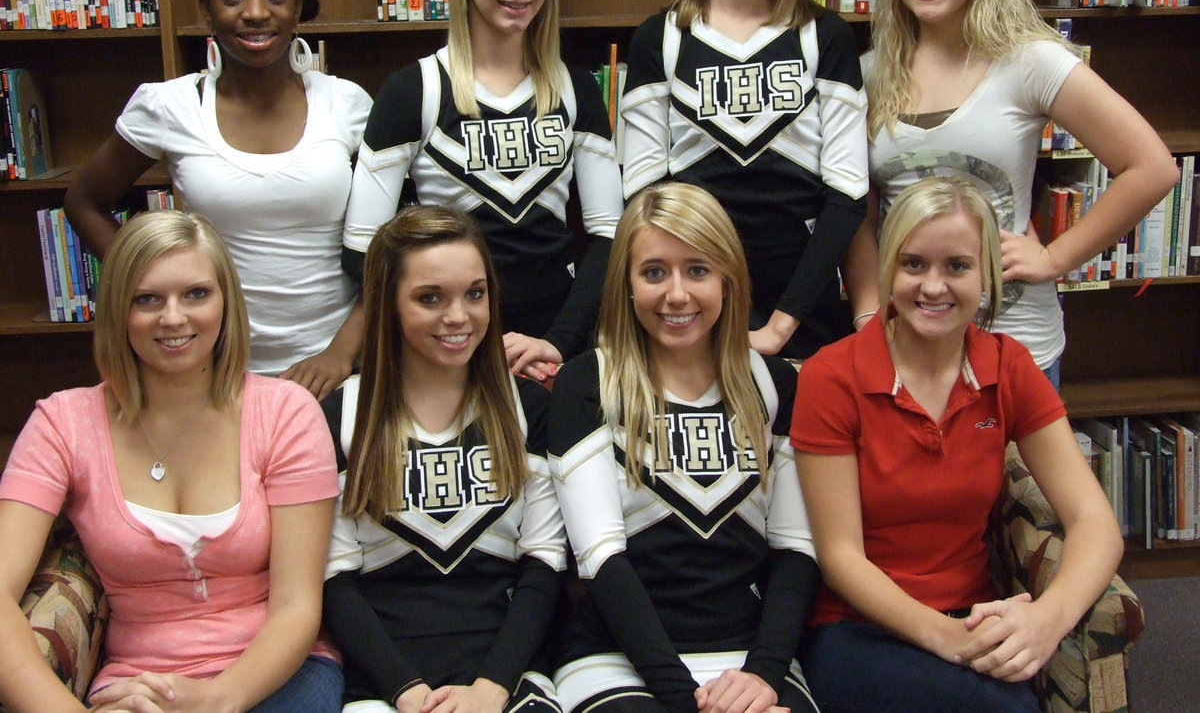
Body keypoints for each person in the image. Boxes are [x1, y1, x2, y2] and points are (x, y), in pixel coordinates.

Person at [792, 176, 1123, 713]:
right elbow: (841, 559)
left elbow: (1096, 523)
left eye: (957, 267)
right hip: (857, 628)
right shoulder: (833, 376)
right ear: (887, 270)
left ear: (987, 273)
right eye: (914, 264)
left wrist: (1046, 620)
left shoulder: (1008, 365)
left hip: (973, 616)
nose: (933, 286)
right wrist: (948, 642)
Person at [0, 210, 341, 712]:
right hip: (137, 683)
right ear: (118, 310)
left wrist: (215, 698)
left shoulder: (287, 414)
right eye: (147, 299)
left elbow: (296, 607)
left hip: (274, 675)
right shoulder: (63, 423)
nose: (174, 317)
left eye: (197, 294)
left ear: (226, 302)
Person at [843, 0, 1178, 383]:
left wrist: (1052, 256)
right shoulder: (870, 73)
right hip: (904, 344)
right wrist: (869, 317)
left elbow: (1152, 167)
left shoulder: (1029, 62)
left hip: (1014, 344)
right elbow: (861, 213)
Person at [549, 181, 821, 713]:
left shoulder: (775, 385)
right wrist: (686, 701)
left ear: (727, 278)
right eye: (654, 272)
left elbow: (796, 549)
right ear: (626, 284)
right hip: (616, 660)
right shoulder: (586, 384)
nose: (677, 294)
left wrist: (764, 674)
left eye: (697, 270)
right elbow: (600, 557)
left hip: (749, 662)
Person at [64, 0, 372, 397]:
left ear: (297, 7)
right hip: (210, 368)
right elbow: (83, 202)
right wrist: (152, 286)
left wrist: (341, 354)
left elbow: (390, 246)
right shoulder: (169, 106)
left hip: (336, 370)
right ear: (206, 7)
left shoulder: (347, 104)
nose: (254, 12)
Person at [342, 0, 623, 382]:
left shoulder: (577, 89)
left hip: (554, 351)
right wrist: (448, 339)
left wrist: (557, 343)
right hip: (446, 355)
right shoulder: (414, 91)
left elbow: (608, 234)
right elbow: (363, 249)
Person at [619, 0, 869, 361]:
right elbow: (645, 202)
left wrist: (781, 327)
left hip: (804, 322)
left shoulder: (825, 37)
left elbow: (846, 198)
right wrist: (695, 315)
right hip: (691, 322)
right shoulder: (657, 40)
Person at [322, 204, 567, 713]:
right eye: (429, 298)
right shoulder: (340, 415)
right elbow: (333, 581)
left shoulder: (530, 409)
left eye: (474, 294)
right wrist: (406, 692)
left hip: (508, 676)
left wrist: (491, 689)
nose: (458, 316)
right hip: (385, 683)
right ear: (387, 304)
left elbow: (543, 563)